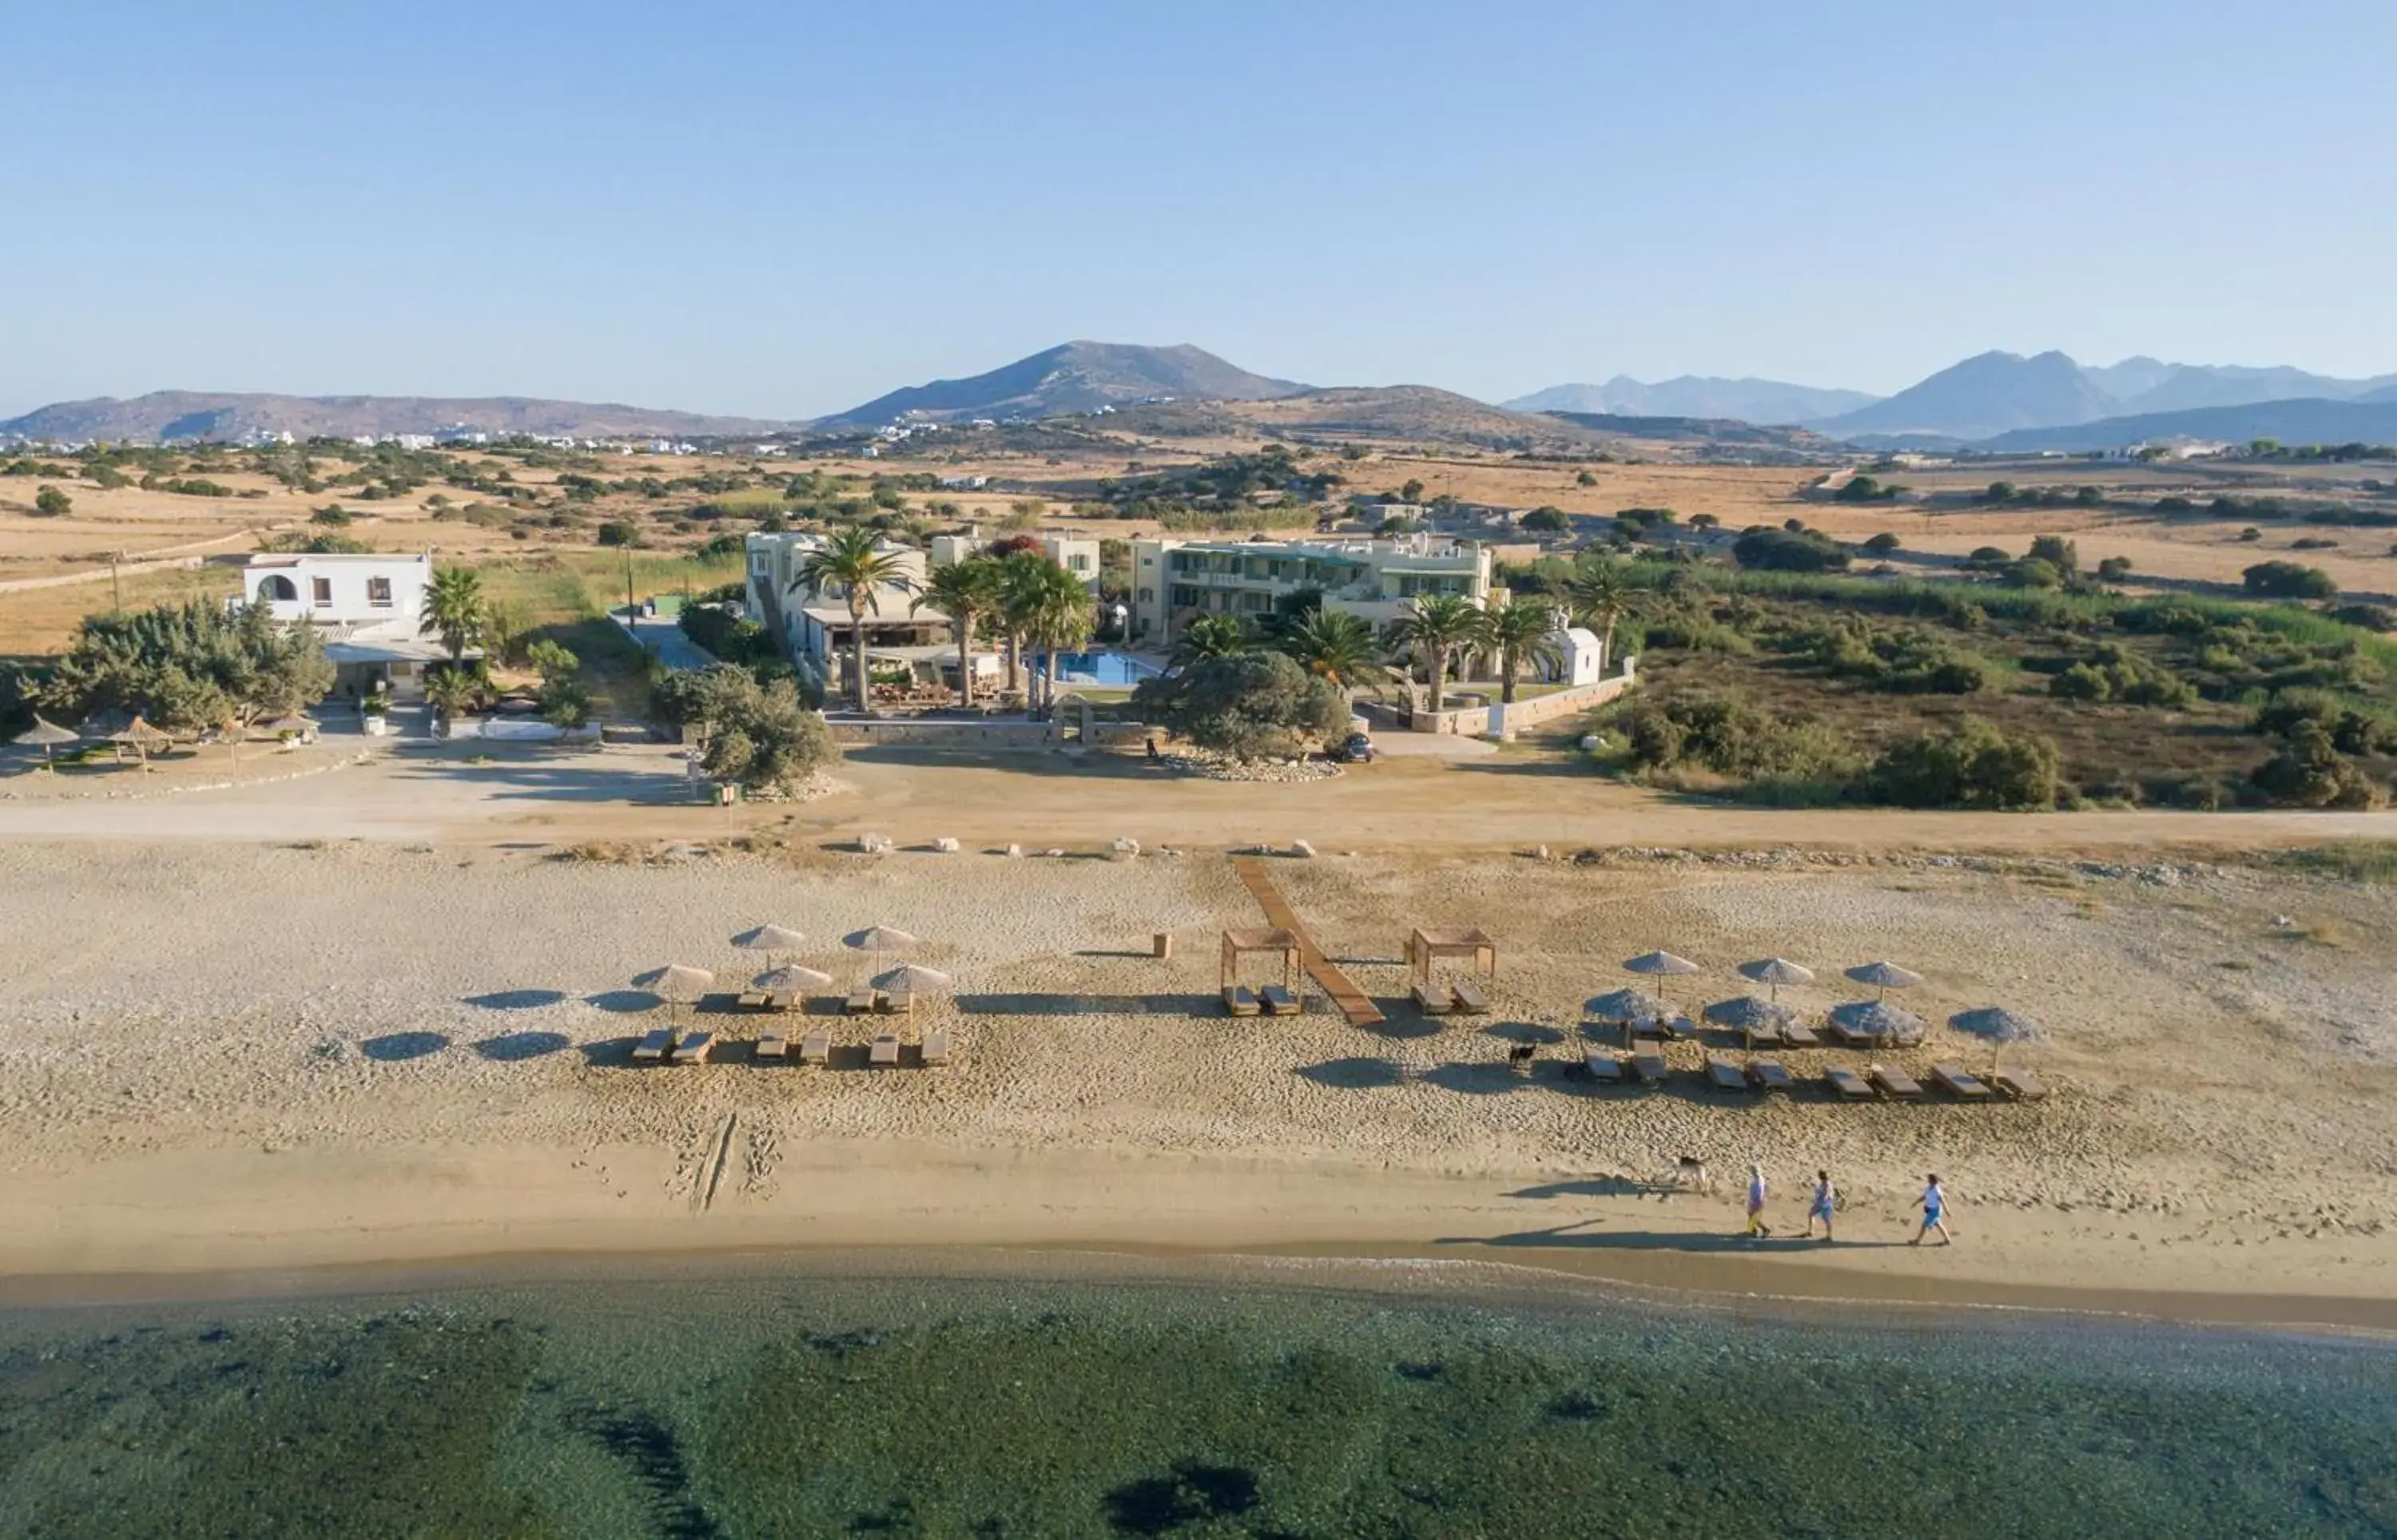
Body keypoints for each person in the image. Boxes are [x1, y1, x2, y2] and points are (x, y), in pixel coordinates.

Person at [1910, 1173, 1953, 1246]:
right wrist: (1916, 1203)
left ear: (1933, 1181)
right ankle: (1947, 1240)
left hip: (1935, 1211)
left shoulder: (1937, 1190)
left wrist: (1947, 1211)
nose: (1928, 1180)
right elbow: (1924, 1197)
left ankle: (1917, 1241)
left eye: (1929, 1179)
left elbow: (1942, 1201)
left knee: (1924, 1225)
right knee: (1938, 1224)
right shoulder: (1929, 1187)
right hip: (1930, 1210)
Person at [1806, 1169, 1835, 1242]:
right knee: (1812, 1214)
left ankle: (1829, 1236)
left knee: (1826, 1220)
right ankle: (1811, 1231)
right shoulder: (1823, 1183)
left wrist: (1822, 1199)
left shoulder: (1827, 1184)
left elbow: (1827, 1194)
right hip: (1821, 1203)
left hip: (1825, 1203)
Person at [1744, 1163, 1770, 1237]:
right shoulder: (1758, 1179)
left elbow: (1757, 1193)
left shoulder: (1758, 1181)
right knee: (1751, 1216)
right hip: (1755, 1200)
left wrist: (1753, 1201)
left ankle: (1764, 1230)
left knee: (1753, 1217)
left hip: (1756, 1201)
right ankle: (1754, 1230)